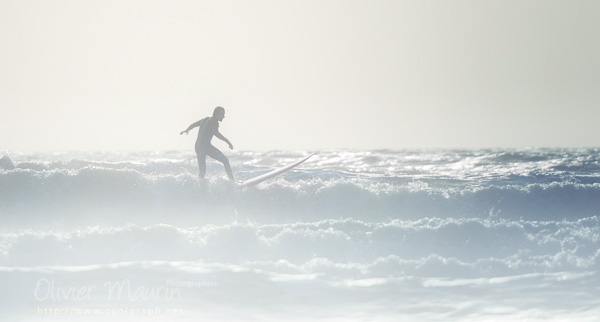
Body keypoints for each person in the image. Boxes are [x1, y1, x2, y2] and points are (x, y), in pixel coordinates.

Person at [180, 106, 234, 180]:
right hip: (205, 146)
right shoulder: (214, 121)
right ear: (216, 114)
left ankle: (200, 186)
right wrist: (228, 142)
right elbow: (216, 133)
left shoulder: (205, 119)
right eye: (222, 114)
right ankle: (232, 181)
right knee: (225, 161)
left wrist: (187, 130)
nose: (224, 116)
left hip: (198, 146)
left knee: (202, 171)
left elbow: (193, 125)